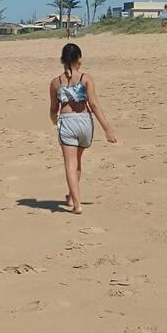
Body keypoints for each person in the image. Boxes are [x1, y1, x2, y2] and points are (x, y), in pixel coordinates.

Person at [48, 43, 117, 214]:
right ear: (79, 59)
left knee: (70, 165)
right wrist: (107, 128)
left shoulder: (56, 82)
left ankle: (77, 204)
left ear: (62, 60)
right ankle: (72, 197)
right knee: (77, 162)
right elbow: (93, 104)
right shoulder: (86, 78)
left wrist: (53, 121)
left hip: (67, 121)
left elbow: (53, 109)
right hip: (85, 122)